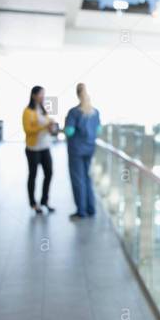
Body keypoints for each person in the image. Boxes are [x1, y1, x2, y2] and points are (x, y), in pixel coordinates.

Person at [64, 83, 101, 218]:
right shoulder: (95, 112)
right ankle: (91, 208)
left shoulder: (74, 112)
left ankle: (81, 211)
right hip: (90, 148)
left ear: (77, 94)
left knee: (78, 179)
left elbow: (69, 131)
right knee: (87, 178)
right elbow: (98, 130)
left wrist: (63, 128)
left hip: (76, 150)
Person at [22, 85, 56, 215]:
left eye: (44, 94)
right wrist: (44, 127)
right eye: (41, 94)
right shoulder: (27, 111)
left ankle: (44, 201)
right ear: (33, 95)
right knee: (33, 175)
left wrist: (51, 127)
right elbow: (28, 130)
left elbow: (47, 127)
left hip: (45, 147)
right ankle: (33, 203)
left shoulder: (43, 110)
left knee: (49, 173)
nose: (43, 96)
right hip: (33, 149)